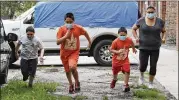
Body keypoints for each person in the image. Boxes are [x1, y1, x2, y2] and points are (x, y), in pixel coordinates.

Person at [56, 12, 92, 94]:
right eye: (67, 22)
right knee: (67, 70)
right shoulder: (61, 29)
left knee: (72, 67)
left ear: (74, 21)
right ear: (64, 21)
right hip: (64, 54)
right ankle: (71, 84)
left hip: (74, 52)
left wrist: (89, 42)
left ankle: (77, 81)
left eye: (70, 22)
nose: (69, 24)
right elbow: (57, 42)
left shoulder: (78, 28)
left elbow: (85, 33)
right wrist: (65, 36)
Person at [132, 6, 166, 88]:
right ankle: (141, 77)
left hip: (155, 47)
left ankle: (151, 83)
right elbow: (133, 29)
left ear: (155, 12)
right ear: (146, 12)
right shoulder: (141, 21)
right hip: (143, 47)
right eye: (149, 12)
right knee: (143, 65)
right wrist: (136, 38)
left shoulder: (160, 21)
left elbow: (164, 31)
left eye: (152, 12)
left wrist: (164, 38)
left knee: (153, 66)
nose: (150, 14)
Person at [110, 27, 137, 92]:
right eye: (121, 35)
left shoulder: (129, 40)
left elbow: (132, 43)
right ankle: (114, 80)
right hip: (116, 61)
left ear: (126, 35)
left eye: (124, 35)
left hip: (125, 60)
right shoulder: (115, 41)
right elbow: (111, 50)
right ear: (118, 35)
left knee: (127, 70)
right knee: (115, 72)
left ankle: (125, 84)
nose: (122, 36)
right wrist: (118, 52)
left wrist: (133, 49)